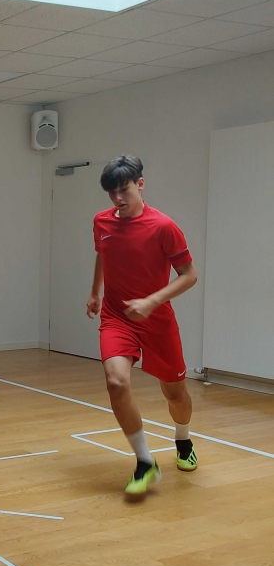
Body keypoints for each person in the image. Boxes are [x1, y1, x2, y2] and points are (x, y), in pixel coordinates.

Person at [86, 156, 198, 499]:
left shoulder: (164, 226)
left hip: (157, 320)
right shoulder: (101, 221)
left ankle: (183, 439)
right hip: (116, 316)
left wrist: (151, 302)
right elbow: (103, 253)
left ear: (140, 184)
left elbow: (189, 276)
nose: (118, 198)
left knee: (176, 395)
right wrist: (95, 292)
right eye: (112, 193)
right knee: (116, 382)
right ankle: (145, 461)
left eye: (124, 190)